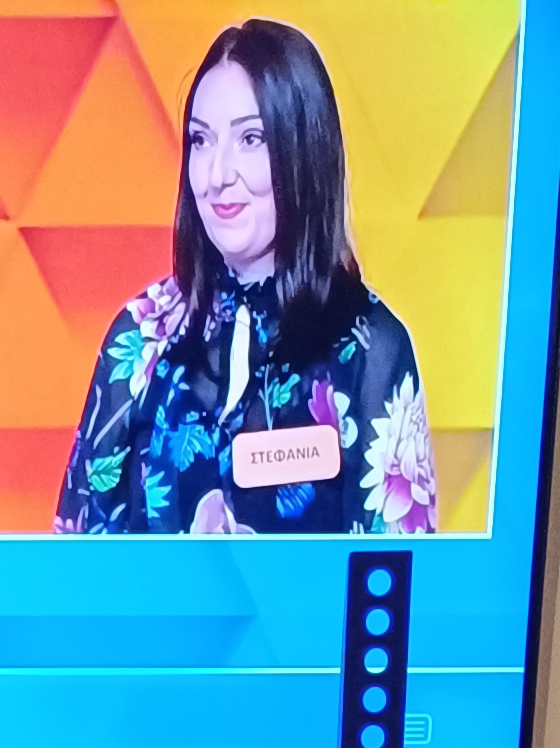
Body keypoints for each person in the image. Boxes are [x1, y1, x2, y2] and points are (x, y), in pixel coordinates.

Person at [55, 18, 435, 538]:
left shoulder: (371, 351)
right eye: (201, 140)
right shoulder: (139, 338)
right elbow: (75, 555)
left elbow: (394, 573)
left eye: (251, 139)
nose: (217, 176)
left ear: (304, 150)